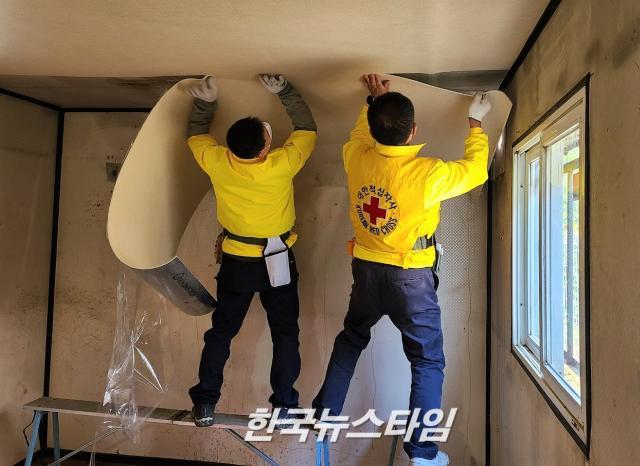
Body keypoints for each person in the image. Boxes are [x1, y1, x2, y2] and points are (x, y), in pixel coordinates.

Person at [312, 74, 491, 465]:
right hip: (410, 280)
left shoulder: (356, 157)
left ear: (373, 128)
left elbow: (359, 134)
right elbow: (476, 170)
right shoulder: (427, 173)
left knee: (351, 339)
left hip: (366, 271)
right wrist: (476, 123)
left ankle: (324, 417)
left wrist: (373, 102)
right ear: (413, 131)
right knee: (426, 361)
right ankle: (423, 454)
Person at [186, 74, 317, 427]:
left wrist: (207, 102)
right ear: (264, 150)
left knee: (222, 331)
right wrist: (285, 91)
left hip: (236, 261)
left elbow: (196, 134)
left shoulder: (217, 161)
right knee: (284, 333)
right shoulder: (281, 165)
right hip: (277, 259)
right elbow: (306, 128)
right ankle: (284, 406)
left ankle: (205, 403)